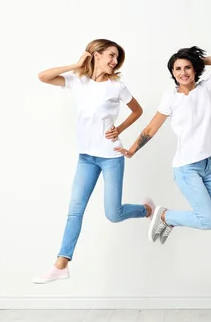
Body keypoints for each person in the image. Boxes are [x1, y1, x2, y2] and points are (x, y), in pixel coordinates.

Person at [33, 38, 149, 284]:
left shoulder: (117, 85)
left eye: (117, 57)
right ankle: (61, 263)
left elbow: (138, 110)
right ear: (95, 55)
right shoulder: (78, 81)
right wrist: (75, 65)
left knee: (113, 214)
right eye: (110, 55)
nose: (114, 61)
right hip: (86, 157)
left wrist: (120, 128)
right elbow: (43, 76)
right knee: (75, 210)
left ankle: (147, 210)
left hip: (111, 156)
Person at [116, 46, 211, 245]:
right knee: (208, 221)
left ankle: (169, 220)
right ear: (172, 73)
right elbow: (152, 128)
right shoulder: (171, 97)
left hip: (207, 167)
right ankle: (165, 216)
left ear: (195, 69)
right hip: (186, 168)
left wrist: (194, 59)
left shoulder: (207, 88)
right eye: (177, 69)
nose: (183, 73)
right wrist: (132, 149)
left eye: (187, 68)